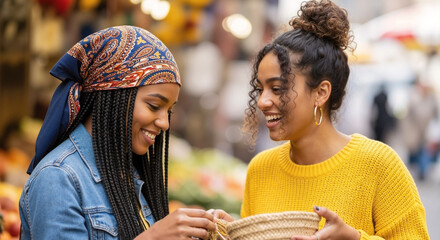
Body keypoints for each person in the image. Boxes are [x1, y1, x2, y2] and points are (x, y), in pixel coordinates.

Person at [240, 0, 429, 239]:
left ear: (321, 93)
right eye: (260, 89)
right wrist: (224, 233)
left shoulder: (379, 165)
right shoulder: (260, 169)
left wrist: (354, 237)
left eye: (277, 89)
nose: (262, 101)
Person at [19, 25, 218, 240]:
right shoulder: (58, 177)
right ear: (113, 97)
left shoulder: (127, 172)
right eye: (153, 106)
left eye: (169, 111)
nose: (164, 123)